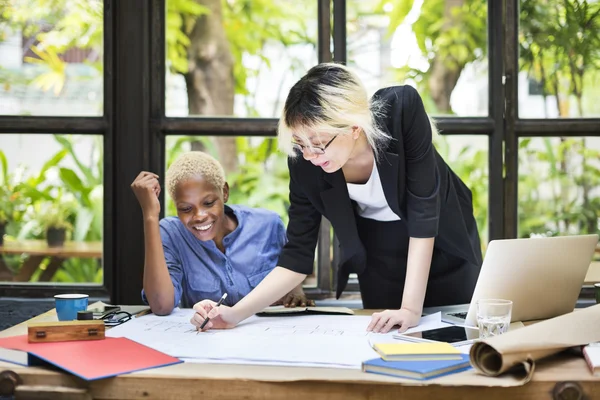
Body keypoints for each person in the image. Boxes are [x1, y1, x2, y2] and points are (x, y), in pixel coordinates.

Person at [191, 63, 483, 333]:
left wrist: (410, 308)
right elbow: (296, 257)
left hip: (441, 246)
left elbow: (423, 214)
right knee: (385, 341)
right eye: (299, 144)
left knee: (454, 342)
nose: (309, 156)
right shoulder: (304, 161)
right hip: (379, 257)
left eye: (318, 144)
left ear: (354, 127)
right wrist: (232, 315)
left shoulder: (402, 111)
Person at [130, 151, 313, 315]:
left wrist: (295, 292)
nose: (199, 216)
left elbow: (291, 270)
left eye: (208, 203)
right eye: (186, 208)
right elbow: (161, 306)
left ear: (224, 192)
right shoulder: (172, 234)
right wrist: (150, 215)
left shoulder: (268, 225)